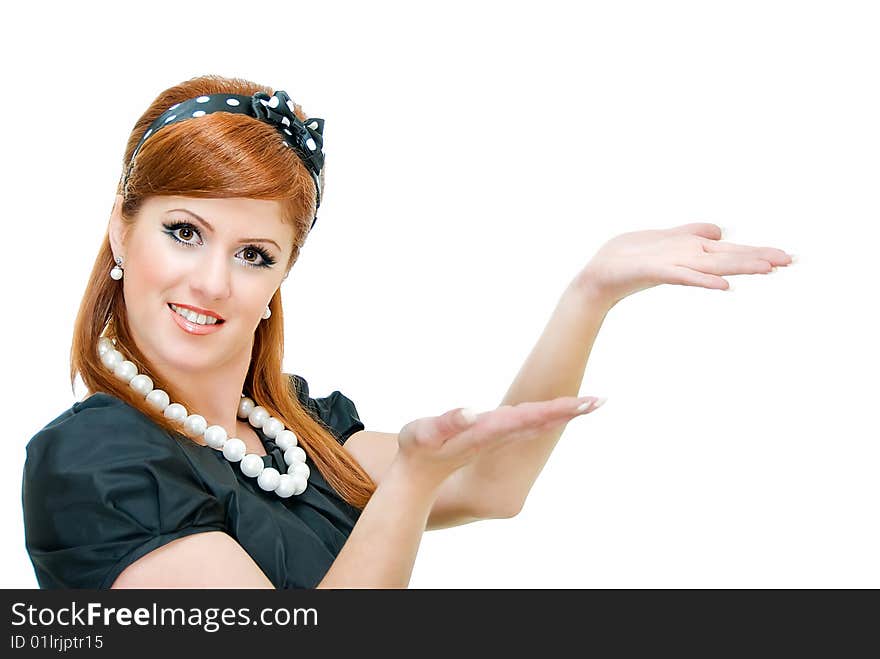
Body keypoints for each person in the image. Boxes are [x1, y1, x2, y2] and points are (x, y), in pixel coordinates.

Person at [21, 74, 795, 589]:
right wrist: (413, 482)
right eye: (184, 231)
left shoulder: (299, 435)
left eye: (253, 253)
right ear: (122, 234)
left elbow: (492, 484)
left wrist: (590, 294)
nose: (213, 281)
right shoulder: (97, 461)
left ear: (280, 277)